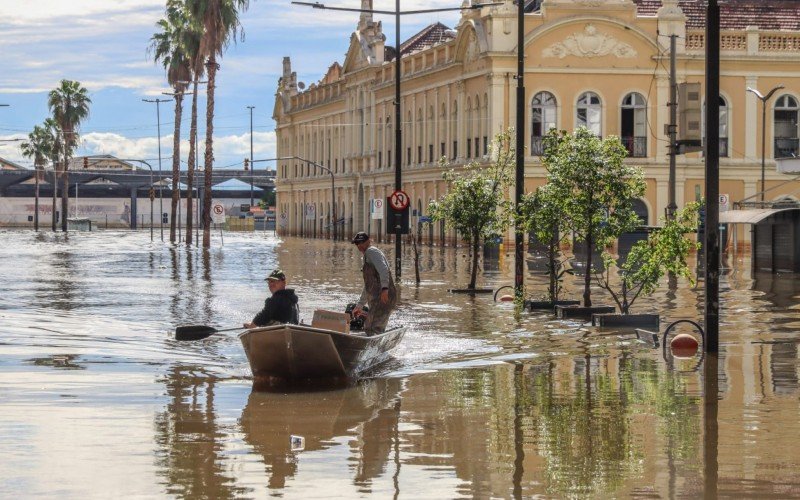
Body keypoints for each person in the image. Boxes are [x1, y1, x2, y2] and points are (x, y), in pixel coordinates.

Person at [351, 232, 397, 334]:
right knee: (373, 327)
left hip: (382, 297)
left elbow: (384, 270)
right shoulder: (367, 256)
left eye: (361, 243)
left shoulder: (371, 251)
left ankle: (372, 348)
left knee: (372, 328)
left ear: (368, 241)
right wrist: (360, 305)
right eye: (357, 243)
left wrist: (385, 289)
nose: (359, 246)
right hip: (377, 298)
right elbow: (368, 286)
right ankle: (377, 347)